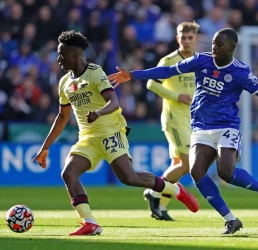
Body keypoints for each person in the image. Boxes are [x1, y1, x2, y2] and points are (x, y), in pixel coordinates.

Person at [108, 28, 258, 234]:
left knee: (225, 173)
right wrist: (132, 75)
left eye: (219, 44)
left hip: (227, 126)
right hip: (201, 127)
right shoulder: (201, 60)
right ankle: (230, 219)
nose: (214, 47)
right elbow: (168, 71)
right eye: (213, 42)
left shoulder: (241, 72)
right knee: (196, 171)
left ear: (231, 47)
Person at [32, 30, 199, 236]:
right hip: (87, 138)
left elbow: (114, 102)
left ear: (74, 54)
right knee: (69, 173)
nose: (58, 59)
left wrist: (99, 113)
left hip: (111, 132)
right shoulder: (64, 83)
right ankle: (90, 222)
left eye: (61, 54)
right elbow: (62, 116)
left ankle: (175, 190)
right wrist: (45, 148)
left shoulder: (95, 73)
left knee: (128, 178)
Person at [143, 22, 199, 221]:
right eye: (182, 37)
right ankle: (154, 193)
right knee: (187, 164)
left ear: (196, 39)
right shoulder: (169, 60)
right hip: (174, 119)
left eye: (190, 37)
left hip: (193, 120)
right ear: (177, 39)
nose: (186, 41)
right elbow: (151, 83)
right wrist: (176, 96)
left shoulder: (200, 61)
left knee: (178, 164)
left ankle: (160, 207)